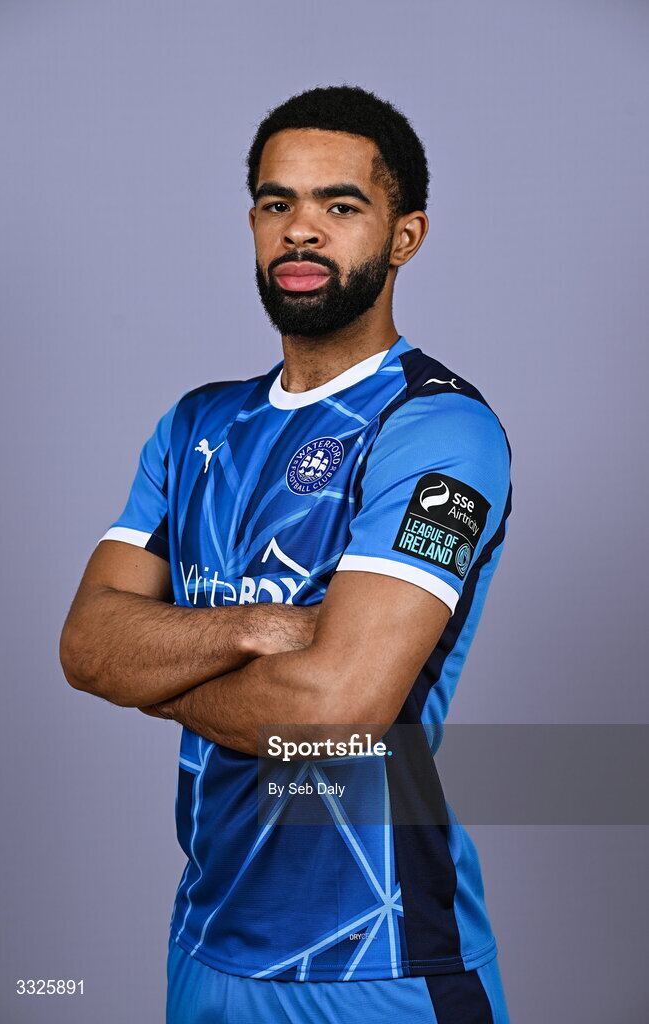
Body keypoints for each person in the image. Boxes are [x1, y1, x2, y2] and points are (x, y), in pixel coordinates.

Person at [60, 84, 513, 1024]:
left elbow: (336, 712)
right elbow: (83, 643)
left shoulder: (438, 431)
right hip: (204, 939)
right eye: (277, 204)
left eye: (339, 206)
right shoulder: (196, 425)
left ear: (405, 236)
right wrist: (265, 627)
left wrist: (147, 670)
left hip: (375, 960)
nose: (300, 232)